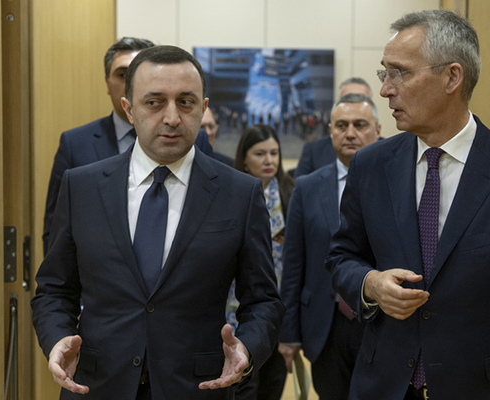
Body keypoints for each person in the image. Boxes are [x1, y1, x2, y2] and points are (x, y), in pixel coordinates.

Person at [326, 10, 490, 400]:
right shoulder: (370, 166)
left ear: (452, 77)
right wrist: (370, 284)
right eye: (385, 73)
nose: (386, 89)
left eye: (399, 73)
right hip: (382, 384)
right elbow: (342, 256)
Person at [31, 45, 284, 400]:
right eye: (154, 102)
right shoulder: (82, 187)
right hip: (97, 385)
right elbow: (55, 291)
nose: (172, 117)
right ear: (129, 109)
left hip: (198, 388)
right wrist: (57, 338)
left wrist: (246, 346)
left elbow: (264, 300)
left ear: (203, 108)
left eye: (186, 102)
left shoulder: (240, 193)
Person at [42, 37, 214, 256]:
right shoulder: (75, 146)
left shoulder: (195, 140)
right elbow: (57, 237)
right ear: (108, 83)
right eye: (123, 74)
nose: (171, 119)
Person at [279, 93, 380, 399]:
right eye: (342, 125)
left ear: (377, 130)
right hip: (324, 324)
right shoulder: (307, 187)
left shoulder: (397, 182)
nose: (350, 133)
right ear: (330, 132)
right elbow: (293, 264)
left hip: (380, 322)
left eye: (360, 125)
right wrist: (289, 333)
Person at [228, 124, 294, 400]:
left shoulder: (290, 192)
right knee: (243, 386)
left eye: (274, 153)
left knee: (273, 382)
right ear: (244, 158)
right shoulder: (231, 192)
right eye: (260, 153)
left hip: (280, 305)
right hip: (236, 306)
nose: (269, 160)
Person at [294, 77, 373, 177]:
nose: (353, 106)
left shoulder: (389, 152)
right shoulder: (313, 151)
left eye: (361, 100)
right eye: (347, 100)